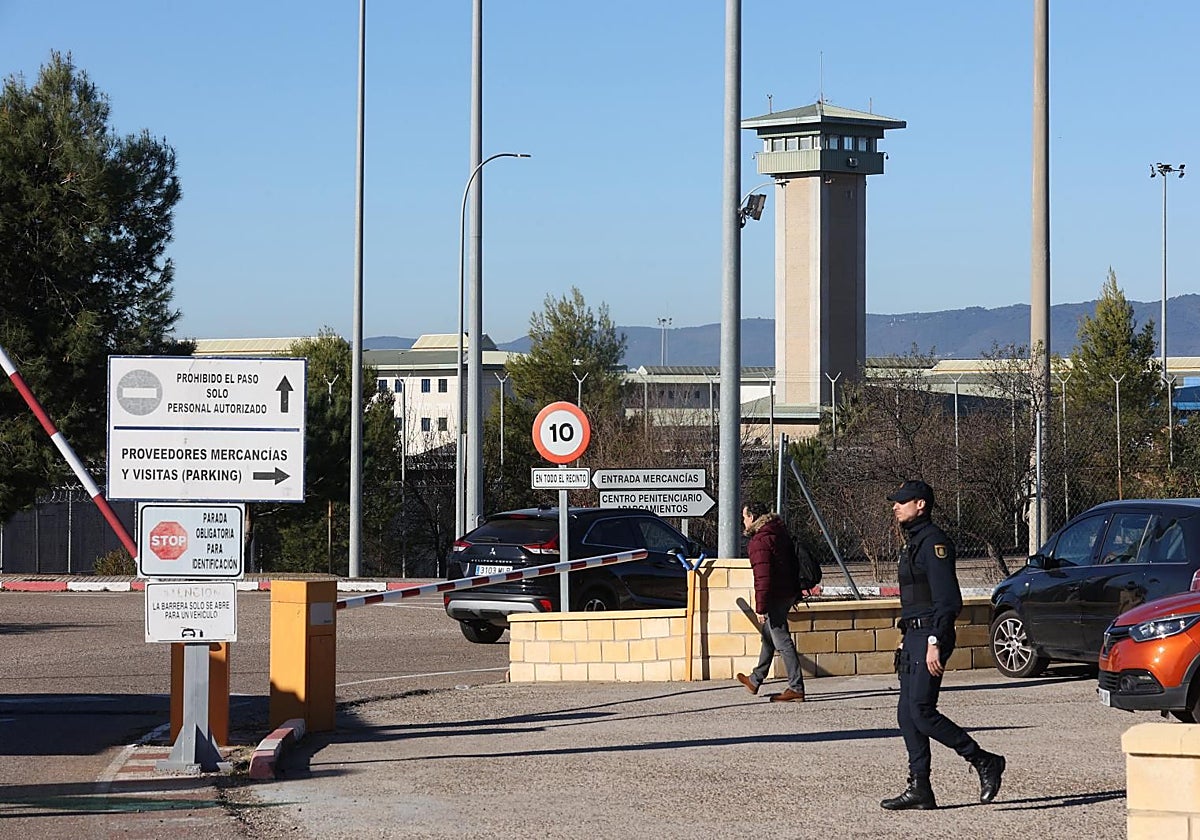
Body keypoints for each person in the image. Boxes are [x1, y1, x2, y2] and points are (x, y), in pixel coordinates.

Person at [881, 480, 1006, 810]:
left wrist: (934, 641)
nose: (895, 506)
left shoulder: (934, 542)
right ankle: (920, 788)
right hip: (914, 635)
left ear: (920, 504)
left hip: (931, 635)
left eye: (902, 501)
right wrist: (906, 636)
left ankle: (983, 760)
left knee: (921, 711)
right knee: (907, 715)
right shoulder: (912, 543)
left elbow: (948, 600)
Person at [735, 501, 806, 702]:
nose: (743, 521)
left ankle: (796, 687)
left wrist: (761, 608)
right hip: (787, 591)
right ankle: (755, 679)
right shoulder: (777, 532)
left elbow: (763, 577)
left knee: (782, 640)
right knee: (768, 636)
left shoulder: (760, 540)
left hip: (775, 595)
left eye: (745, 517)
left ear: (753, 517)